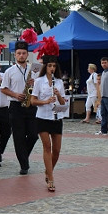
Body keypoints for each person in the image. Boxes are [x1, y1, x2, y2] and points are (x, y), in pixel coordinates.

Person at [0, 30, 39, 175]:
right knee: (19, 136)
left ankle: (24, 156)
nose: (21, 55)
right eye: (19, 53)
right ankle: (24, 164)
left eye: (23, 53)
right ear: (15, 55)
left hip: (31, 105)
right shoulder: (9, 71)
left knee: (34, 135)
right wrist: (15, 94)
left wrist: (34, 83)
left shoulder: (34, 69)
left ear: (27, 54)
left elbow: (41, 87)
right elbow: (3, 89)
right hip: (16, 106)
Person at [30, 50, 66, 192]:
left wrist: (58, 95)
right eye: (50, 66)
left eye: (54, 66)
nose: (52, 68)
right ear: (46, 67)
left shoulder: (59, 82)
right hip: (43, 117)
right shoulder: (39, 81)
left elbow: (63, 103)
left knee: (56, 150)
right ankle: (50, 178)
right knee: (47, 147)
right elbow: (33, 101)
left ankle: (48, 171)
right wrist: (45, 101)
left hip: (56, 117)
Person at [96, 57, 108, 135]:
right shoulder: (103, 73)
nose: (104, 64)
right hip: (103, 96)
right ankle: (104, 130)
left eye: (105, 62)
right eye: (102, 63)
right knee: (103, 114)